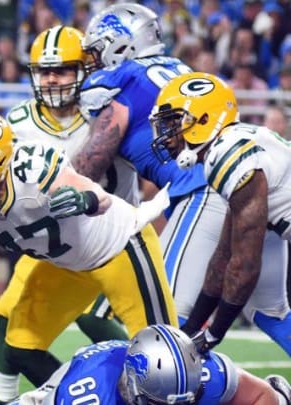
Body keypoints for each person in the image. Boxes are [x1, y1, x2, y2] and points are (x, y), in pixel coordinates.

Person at [72, 2, 291, 354]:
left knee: (164, 316)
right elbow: (226, 263)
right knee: (269, 312)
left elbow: (92, 162)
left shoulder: (119, 79)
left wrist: (56, 185)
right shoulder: (177, 68)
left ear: (120, 45)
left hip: (204, 189)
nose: (94, 62)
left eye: (98, 51)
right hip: (235, 186)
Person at [0, 110, 177, 385]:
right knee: (21, 347)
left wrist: (84, 201)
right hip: (67, 264)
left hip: (120, 245)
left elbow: (100, 196)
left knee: (163, 354)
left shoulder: (31, 169)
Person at [0, 25, 138, 402]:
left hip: (111, 238)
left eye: (63, 70)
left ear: (84, 70)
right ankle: (11, 394)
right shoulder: (18, 121)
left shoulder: (105, 113)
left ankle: (143, 385)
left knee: (97, 318)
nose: (52, 79)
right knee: (9, 312)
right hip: (52, 242)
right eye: (44, 70)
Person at [150, 71, 291, 354]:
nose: (165, 136)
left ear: (202, 119)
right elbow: (223, 256)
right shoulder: (229, 148)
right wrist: (191, 331)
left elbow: (245, 266)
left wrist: (213, 335)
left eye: (172, 122)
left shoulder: (228, 155)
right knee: (268, 309)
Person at [0, 325, 291, 405]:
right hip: (61, 390)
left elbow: (262, 398)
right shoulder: (87, 396)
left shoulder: (195, 374)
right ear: (132, 388)